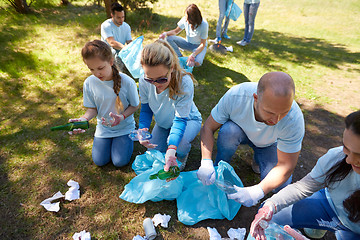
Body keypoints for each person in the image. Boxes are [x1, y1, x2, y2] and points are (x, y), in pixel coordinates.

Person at [197, 72, 305, 207]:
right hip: (239, 131)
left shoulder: (294, 119)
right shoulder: (236, 96)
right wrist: (206, 161)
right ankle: (219, 168)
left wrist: (258, 191)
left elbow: (287, 166)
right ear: (255, 98)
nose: (276, 120)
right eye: (270, 112)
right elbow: (208, 127)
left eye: (283, 112)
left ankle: (259, 158)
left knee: (280, 186)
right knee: (228, 131)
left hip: (269, 143)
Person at [250, 110, 360, 240]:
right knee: (269, 216)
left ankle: (318, 227)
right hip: (330, 205)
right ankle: (316, 228)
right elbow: (303, 187)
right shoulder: (337, 157)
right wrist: (271, 205)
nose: (349, 160)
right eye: (346, 148)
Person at [68, 40, 139, 167]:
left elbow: (135, 106)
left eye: (100, 68)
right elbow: (93, 109)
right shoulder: (89, 83)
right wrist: (83, 120)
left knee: (119, 162)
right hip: (104, 128)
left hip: (124, 127)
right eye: (91, 69)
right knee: (99, 161)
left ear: (111, 62)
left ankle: (127, 138)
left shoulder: (127, 82)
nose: (97, 73)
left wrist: (121, 117)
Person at [138, 40, 202, 171]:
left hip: (188, 120)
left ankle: (183, 155)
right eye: (150, 79)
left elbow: (180, 120)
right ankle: (172, 142)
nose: (155, 84)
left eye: (161, 79)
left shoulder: (184, 82)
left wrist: (172, 148)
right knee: (154, 150)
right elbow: (146, 109)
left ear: (171, 68)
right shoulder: (143, 80)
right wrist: (143, 129)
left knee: (179, 145)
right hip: (164, 121)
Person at [101, 2, 132, 71]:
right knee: (114, 53)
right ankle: (118, 74)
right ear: (112, 15)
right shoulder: (106, 25)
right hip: (108, 51)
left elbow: (129, 42)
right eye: (118, 17)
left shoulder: (126, 26)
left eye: (123, 17)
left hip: (121, 50)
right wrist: (125, 48)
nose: (121, 20)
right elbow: (112, 43)